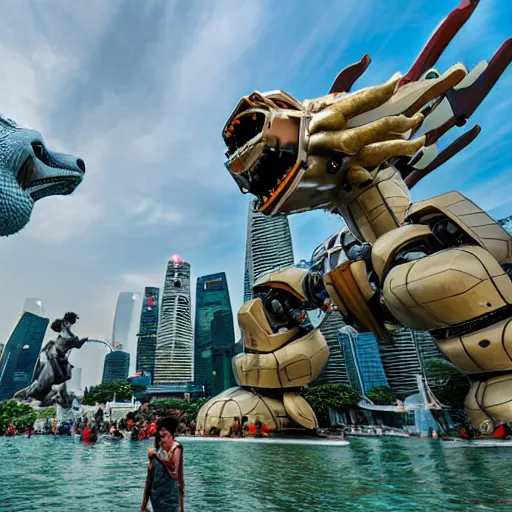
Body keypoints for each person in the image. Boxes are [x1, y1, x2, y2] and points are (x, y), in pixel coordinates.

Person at [141, 416, 185, 512]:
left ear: (171, 436)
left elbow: (175, 474)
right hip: (155, 500)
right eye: (160, 437)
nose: (162, 441)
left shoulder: (176, 448)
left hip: (170, 500)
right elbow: (148, 482)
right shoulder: (157, 454)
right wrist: (143, 506)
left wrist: (182, 508)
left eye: (164, 436)